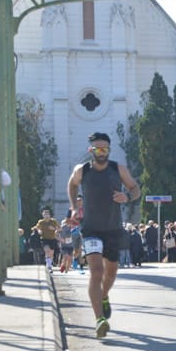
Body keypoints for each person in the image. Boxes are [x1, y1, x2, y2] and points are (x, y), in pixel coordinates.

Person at [67, 132, 141, 339]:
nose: (102, 153)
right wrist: (74, 207)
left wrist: (126, 196)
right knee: (96, 272)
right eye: (97, 149)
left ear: (109, 150)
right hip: (90, 229)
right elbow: (72, 185)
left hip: (113, 229)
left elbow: (136, 189)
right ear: (91, 150)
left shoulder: (118, 169)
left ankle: (104, 295)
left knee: (110, 273)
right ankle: (100, 319)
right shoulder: (82, 170)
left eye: (105, 149)